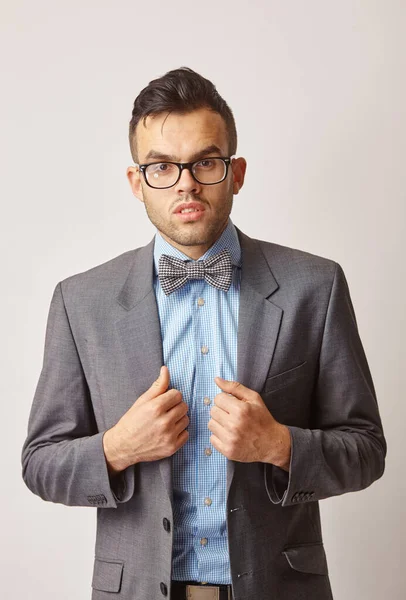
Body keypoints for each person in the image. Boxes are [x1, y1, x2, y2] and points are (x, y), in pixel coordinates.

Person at [21, 67, 387, 600]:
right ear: (136, 183)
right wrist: (116, 448)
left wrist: (280, 445)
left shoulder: (316, 286)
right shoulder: (81, 301)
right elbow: (39, 464)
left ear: (236, 172)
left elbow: (367, 449)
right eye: (162, 166)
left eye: (205, 162)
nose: (186, 183)